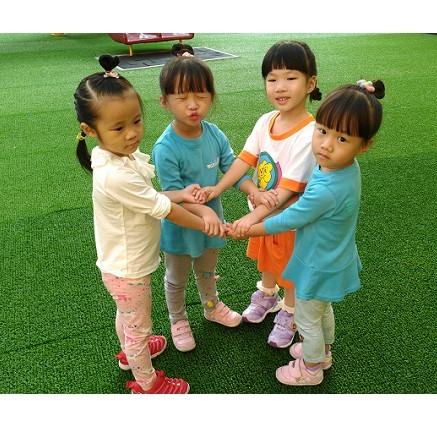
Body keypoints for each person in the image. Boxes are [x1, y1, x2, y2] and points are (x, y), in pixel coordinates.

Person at [226, 79, 386, 386]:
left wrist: (249, 229)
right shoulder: (345, 168)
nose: (326, 145)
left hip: (317, 264)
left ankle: (311, 369)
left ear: (364, 145)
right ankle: (323, 352)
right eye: (322, 131)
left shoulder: (327, 189)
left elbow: (288, 219)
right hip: (334, 258)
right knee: (321, 311)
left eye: (342, 138)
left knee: (306, 318)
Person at [74, 54, 213, 394]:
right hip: (129, 268)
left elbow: (148, 196)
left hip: (122, 264)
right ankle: (148, 384)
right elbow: (162, 208)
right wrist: (203, 222)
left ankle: (129, 352)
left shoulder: (116, 157)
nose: (132, 133)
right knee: (139, 327)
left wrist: (181, 193)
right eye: (118, 128)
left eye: (136, 121)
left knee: (128, 317)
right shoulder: (115, 174)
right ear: (90, 130)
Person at [199, 40, 322, 349]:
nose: (280, 87)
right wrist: (218, 187)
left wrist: (250, 220)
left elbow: (286, 191)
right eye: (272, 78)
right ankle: (268, 295)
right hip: (265, 215)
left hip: (291, 220)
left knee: (290, 269)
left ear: (310, 83)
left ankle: (291, 312)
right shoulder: (266, 120)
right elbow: (244, 160)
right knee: (267, 260)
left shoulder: (309, 133)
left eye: (291, 78)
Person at [151, 55, 249, 352]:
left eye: (201, 97)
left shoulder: (214, 133)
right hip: (181, 226)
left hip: (211, 224)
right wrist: (204, 210)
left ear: (211, 98)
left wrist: (252, 190)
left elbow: (233, 167)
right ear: (165, 102)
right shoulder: (165, 147)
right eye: (182, 98)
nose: (193, 105)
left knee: (206, 270)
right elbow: (172, 195)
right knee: (177, 278)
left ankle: (211, 306)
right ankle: (178, 319)